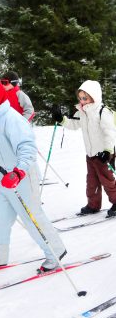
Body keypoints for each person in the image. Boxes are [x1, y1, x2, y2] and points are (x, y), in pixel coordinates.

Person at [0, 78, 66, 272]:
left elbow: (27, 149)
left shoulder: (12, 119)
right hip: (4, 177)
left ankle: (55, 252)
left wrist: (18, 172)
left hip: (22, 174)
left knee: (31, 217)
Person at [52, 80, 116, 217]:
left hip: (104, 154)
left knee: (108, 181)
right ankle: (93, 205)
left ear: (94, 96)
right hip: (90, 154)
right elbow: (73, 124)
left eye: (85, 98)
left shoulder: (103, 112)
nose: (82, 101)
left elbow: (109, 133)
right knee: (91, 182)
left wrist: (107, 151)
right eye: (80, 98)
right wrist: (60, 119)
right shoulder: (82, 111)